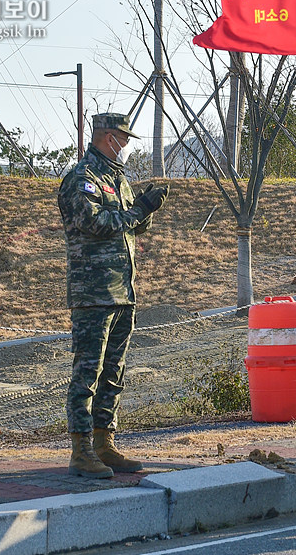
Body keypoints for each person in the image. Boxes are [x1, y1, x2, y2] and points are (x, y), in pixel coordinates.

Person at [58, 113, 168, 479]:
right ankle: (81, 448)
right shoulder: (82, 178)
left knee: (113, 372)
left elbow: (135, 224)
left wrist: (144, 206)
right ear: (108, 137)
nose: (126, 145)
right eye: (123, 138)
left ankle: (105, 442)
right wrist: (137, 210)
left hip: (123, 289)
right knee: (87, 371)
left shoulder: (117, 179)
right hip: (94, 292)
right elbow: (96, 223)